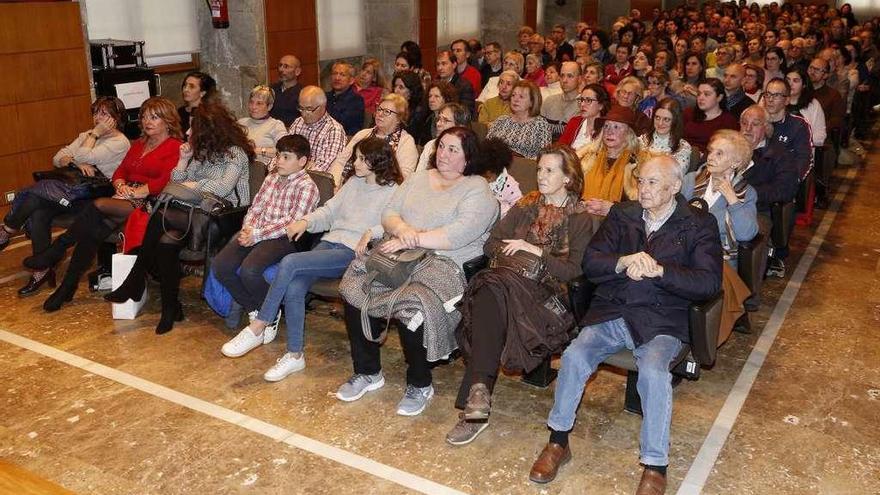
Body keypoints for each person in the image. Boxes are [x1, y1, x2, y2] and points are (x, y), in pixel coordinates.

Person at [528, 155, 722, 491]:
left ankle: (655, 465)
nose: (643, 190)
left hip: (662, 318)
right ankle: (558, 441)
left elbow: (708, 283)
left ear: (675, 187)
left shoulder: (698, 224)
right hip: (614, 311)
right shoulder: (623, 214)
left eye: (652, 183)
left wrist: (660, 270)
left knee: (654, 372)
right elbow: (591, 261)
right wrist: (623, 261)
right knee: (574, 356)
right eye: (641, 181)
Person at [334, 126, 498, 416]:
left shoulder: (477, 189)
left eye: (453, 149)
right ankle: (368, 372)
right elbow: (389, 212)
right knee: (354, 286)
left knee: (414, 303)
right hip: (400, 252)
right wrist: (402, 230)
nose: (443, 154)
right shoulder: (419, 178)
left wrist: (412, 238)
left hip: (444, 261)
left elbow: (458, 234)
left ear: (468, 157)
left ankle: (420, 383)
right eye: (442, 146)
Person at [446, 144, 595, 445]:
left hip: (549, 297)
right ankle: (477, 400)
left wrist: (535, 252)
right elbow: (491, 245)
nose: (541, 175)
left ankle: (476, 403)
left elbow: (574, 273)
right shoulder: (527, 204)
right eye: (539, 169)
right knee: (492, 289)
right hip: (508, 283)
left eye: (550, 170)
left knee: (488, 291)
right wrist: (516, 252)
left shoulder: (581, 217)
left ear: (568, 178)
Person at [104, 101, 252, 334]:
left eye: (194, 128)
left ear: (209, 130)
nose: (188, 132)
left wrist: (195, 185)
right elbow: (176, 181)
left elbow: (223, 188)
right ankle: (170, 308)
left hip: (224, 217)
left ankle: (135, 279)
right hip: (195, 213)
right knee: (165, 243)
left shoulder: (235, 154)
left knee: (160, 214)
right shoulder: (201, 153)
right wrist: (184, 160)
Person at [24, 97, 183, 312]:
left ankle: (59, 249)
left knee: (98, 206)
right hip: (125, 197)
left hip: (151, 202)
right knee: (92, 232)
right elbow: (121, 171)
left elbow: (168, 179)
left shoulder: (175, 147)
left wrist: (137, 191)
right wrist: (120, 184)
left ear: (168, 120)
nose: (148, 121)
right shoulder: (139, 144)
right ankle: (67, 286)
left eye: (154, 117)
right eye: (145, 116)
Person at [0, 97, 131, 295]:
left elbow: (84, 156)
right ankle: (41, 268)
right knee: (38, 211)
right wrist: (75, 162)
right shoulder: (87, 135)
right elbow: (58, 157)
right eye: (96, 113)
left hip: (97, 200)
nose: (98, 118)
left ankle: (7, 229)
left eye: (105, 113)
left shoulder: (119, 142)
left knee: (34, 194)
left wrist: (92, 137)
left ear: (116, 117)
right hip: (75, 193)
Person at [212, 134, 319, 341]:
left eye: (286, 157)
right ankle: (258, 309)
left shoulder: (307, 187)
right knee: (221, 266)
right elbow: (256, 206)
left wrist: (257, 234)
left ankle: (269, 314)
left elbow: (291, 222)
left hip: (285, 239)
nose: (279, 161)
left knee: (250, 269)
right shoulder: (271, 177)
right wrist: (247, 228)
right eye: (278, 155)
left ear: (302, 161)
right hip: (257, 232)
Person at [682, 130, 757, 343]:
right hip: (683, 251)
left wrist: (731, 198)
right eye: (711, 151)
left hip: (719, 260)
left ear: (735, 162)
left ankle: (695, 342)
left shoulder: (745, 192)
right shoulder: (691, 181)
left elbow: (746, 234)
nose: (711, 157)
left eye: (720, 154)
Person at [330, 94, 419, 186]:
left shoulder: (406, 141)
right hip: (347, 187)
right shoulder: (363, 134)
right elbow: (340, 162)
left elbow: (404, 177)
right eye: (379, 109)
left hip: (382, 192)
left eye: (387, 112)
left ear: (399, 119)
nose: (380, 114)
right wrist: (335, 185)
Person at [577, 105, 641, 216]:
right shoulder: (588, 157)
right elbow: (572, 192)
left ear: (629, 133)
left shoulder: (637, 164)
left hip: (618, 224)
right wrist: (581, 205)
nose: (609, 132)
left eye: (616, 127)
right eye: (606, 126)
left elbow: (641, 205)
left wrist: (613, 208)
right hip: (585, 219)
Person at [285, 85, 347, 173]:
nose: (304, 114)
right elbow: (284, 152)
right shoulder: (298, 122)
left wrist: (293, 167)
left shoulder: (334, 130)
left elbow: (323, 168)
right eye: (301, 108)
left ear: (323, 106)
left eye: (309, 109)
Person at [486, 80, 552, 160]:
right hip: (495, 165)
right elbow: (486, 145)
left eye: (521, 97)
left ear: (532, 101)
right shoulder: (501, 120)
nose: (515, 99)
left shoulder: (541, 125)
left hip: (524, 169)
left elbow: (545, 157)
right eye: (513, 95)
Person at [683, 78, 739, 153]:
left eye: (707, 94)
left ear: (719, 97)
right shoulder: (688, 113)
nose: (701, 98)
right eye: (699, 94)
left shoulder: (728, 121)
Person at [639, 97, 693, 174]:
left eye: (666, 119)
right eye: (657, 117)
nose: (660, 123)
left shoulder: (683, 148)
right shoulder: (641, 141)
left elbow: (675, 176)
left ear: (675, 121)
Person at [472, 137, 522, 217]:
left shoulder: (509, 185)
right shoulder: (476, 178)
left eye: (488, 177)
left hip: (500, 222)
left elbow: (519, 208)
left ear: (498, 172)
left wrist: (502, 209)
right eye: (482, 176)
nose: (485, 180)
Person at [238, 85, 288, 164]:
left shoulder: (276, 125)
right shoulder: (241, 123)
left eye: (259, 103)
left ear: (269, 107)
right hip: (239, 167)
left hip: (262, 170)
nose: (253, 107)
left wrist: (257, 150)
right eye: (251, 102)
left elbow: (286, 151)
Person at [418, 102, 471, 173]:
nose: (438, 124)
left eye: (445, 120)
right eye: (439, 119)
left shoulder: (468, 151)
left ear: (460, 127)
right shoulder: (430, 145)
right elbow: (418, 177)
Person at [558, 83, 610, 152]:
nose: (582, 104)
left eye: (588, 100)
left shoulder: (607, 128)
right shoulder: (574, 122)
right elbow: (560, 149)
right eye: (582, 100)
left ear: (601, 105)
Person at [785, 65, 826, 149]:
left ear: (804, 85)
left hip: (803, 151)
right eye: (787, 80)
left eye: (795, 81)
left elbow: (820, 136)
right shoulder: (775, 98)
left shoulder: (813, 104)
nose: (790, 84)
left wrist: (797, 141)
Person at [541, 61, 582, 140]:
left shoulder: (583, 105)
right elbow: (538, 129)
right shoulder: (549, 101)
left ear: (579, 79)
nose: (564, 80)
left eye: (570, 76)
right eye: (562, 76)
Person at [326, 62, 366, 136]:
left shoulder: (356, 100)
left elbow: (349, 127)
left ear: (351, 80)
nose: (337, 78)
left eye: (342, 75)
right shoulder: (324, 98)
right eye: (335, 73)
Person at [391, 70, 428, 143]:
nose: (396, 90)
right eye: (395, 86)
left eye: (401, 87)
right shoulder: (390, 105)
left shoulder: (419, 112)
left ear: (411, 91)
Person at [435, 50, 476, 116]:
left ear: (454, 65)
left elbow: (466, 112)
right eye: (438, 64)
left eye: (444, 64)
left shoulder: (464, 85)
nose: (440, 68)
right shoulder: (434, 83)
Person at [269, 55, 303, 127]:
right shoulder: (271, 89)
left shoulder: (303, 93)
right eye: (280, 65)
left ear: (297, 71)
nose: (281, 69)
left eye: (286, 66)